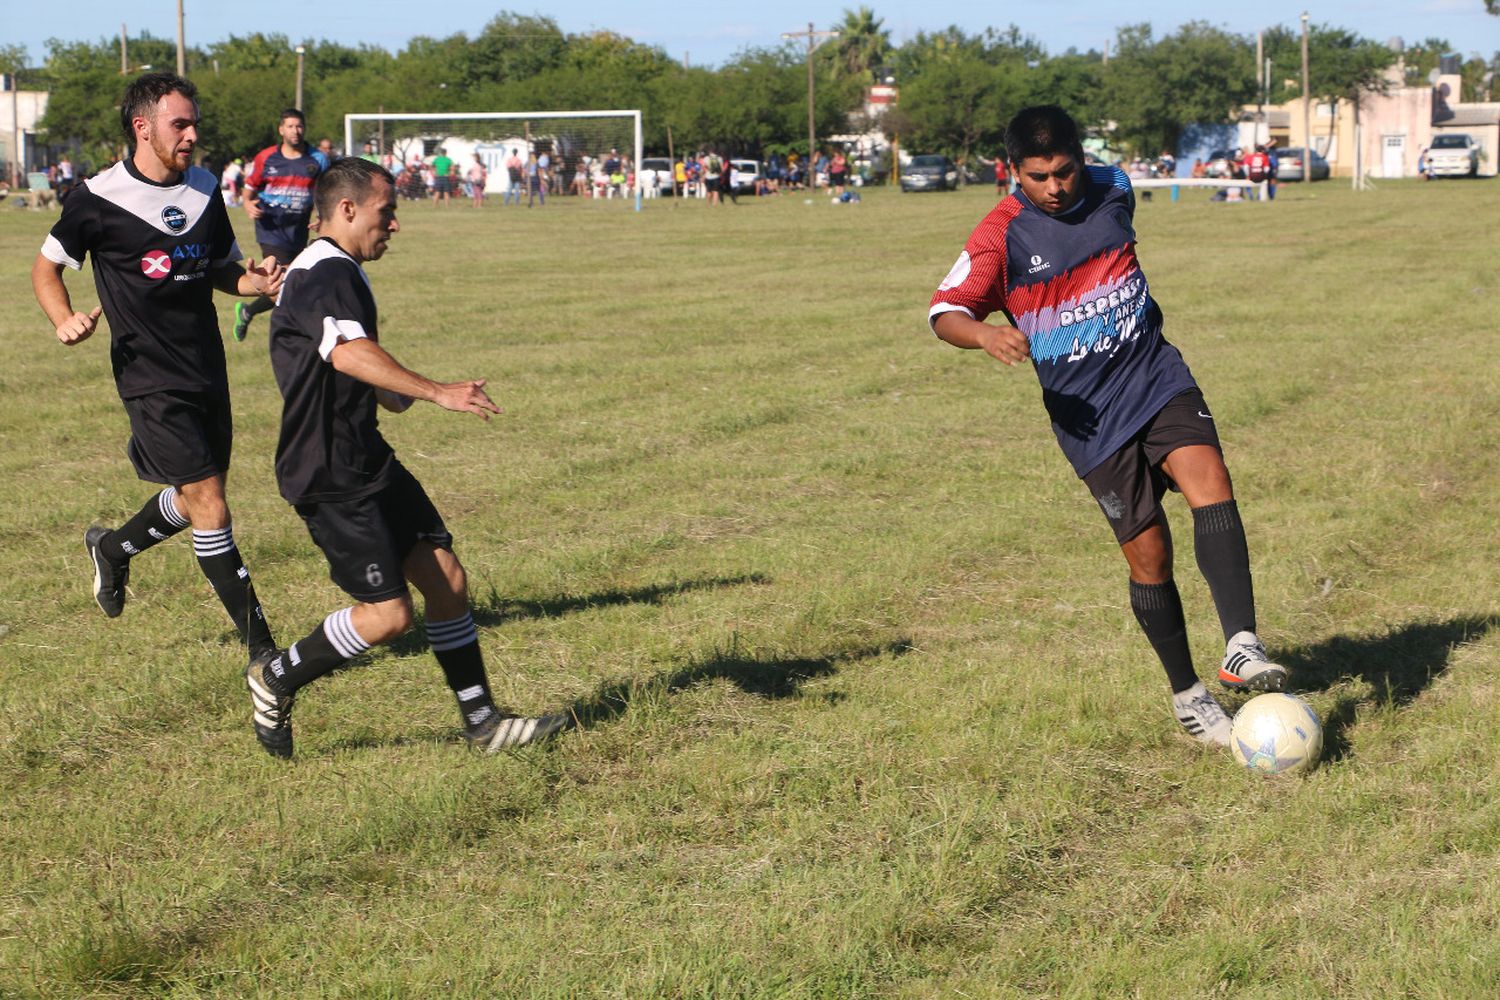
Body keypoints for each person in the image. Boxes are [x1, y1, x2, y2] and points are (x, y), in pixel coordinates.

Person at [926, 105, 1287, 748]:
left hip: (1154, 375)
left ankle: (1241, 643)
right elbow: (944, 310)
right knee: (1149, 555)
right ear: (1014, 173)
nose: (1056, 187)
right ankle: (1188, 694)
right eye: (1039, 177)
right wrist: (983, 333)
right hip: (1088, 418)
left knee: (1211, 478)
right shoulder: (999, 235)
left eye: (1066, 171)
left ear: (1083, 159)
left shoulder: (1116, 188)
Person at [250, 157, 567, 758]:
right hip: (329, 471)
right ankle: (275, 677)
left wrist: (393, 389)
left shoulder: (339, 270)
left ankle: (482, 723)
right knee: (388, 616)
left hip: (365, 455)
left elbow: (351, 357)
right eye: (386, 211)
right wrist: (437, 391)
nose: (393, 225)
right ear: (347, 209)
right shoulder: (324, 272)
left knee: (445, 579)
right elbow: (346, 352)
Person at [30, 71, 283, 674]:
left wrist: (256, 282)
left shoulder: (202, 188)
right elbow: (46, 269)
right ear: (143, 128)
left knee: (198, 496)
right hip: (147, 373)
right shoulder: (97, 198)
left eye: (194, 122)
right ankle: (264, 652)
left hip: (206, 365)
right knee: (211, 502)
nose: (193, 134)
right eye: (181, 123)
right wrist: (63, 319)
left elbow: (223, 269)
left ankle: (113, 548)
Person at [235, 107, 324, 341]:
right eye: (291, 126)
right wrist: (247, 204)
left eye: (300, 126)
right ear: (281, 129)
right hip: (271, 229)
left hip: (299, 229)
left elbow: (325, 191)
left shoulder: (318, 159)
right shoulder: (266, 157)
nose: (296, 131)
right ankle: (295, 333)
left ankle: (248, 311)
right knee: (284, 282)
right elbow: (250, 189)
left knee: (294, 280)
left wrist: (322, 215)